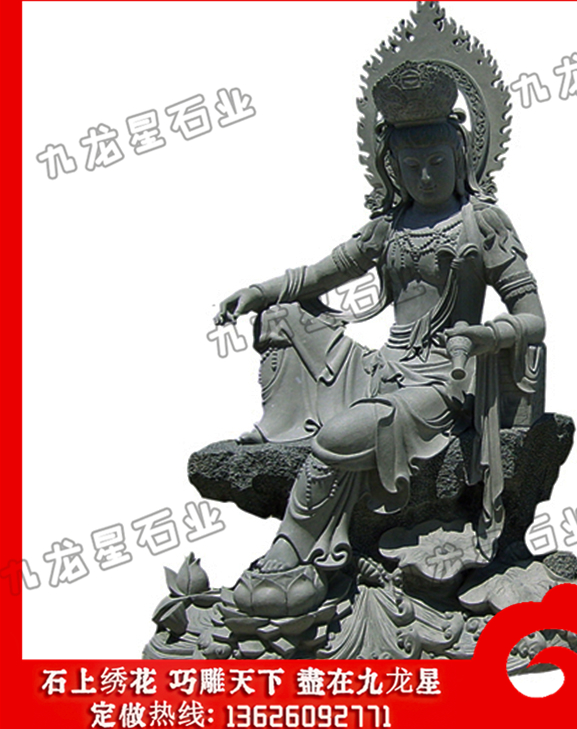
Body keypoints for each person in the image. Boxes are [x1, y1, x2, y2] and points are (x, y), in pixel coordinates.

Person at [214, 63, 545, 616]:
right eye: (412, 166)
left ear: (461, 157)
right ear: (392, 168)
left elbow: (533, 316)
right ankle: (280, 425)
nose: (426, 177)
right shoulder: (389, 227)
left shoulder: (483, 223)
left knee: (341, 435)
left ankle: (292, 549)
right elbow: (320, 274)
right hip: (384, 369)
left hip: (443, 381)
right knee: (285, 315)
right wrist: (258, 291)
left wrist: (484, 336)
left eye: (437, 162)